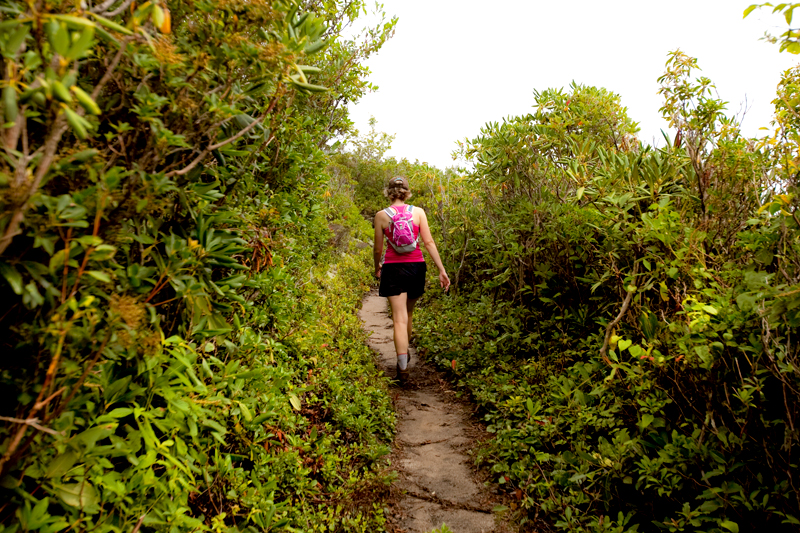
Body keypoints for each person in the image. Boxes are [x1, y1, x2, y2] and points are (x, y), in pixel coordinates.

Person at [373, 176, 450, 383]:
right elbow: (429, 242)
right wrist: (441, 270)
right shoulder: (418, 212)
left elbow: (378, 248)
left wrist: (376, 266)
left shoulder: (381, 216)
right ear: (407, 192)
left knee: (398, 318)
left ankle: (403, 367)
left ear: (388, 192)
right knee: (408, 313)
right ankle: (405, 357)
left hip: (392, 268)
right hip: (417, 267)